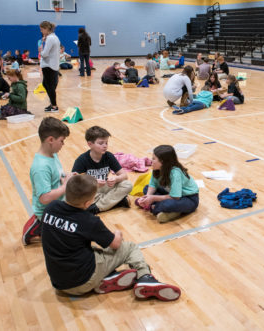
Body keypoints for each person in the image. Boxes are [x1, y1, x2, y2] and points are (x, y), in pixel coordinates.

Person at [41, 174, 181, 300]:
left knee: (90, 247)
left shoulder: (50, 208)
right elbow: (115, 244)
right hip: (83, 282)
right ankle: (146, 277)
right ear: (88, 203)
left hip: (59, 282)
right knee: (129, 247)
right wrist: (117, 233)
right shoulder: (89, 220)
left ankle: (107, 278)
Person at [22, 117, 73, 245]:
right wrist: (65, 186)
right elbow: (44, 198)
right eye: (62, 141)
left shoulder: (53, 154)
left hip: (59, 204)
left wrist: (68, 177)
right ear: (51, 140)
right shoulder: (41, 167)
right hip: (47, 212)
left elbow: (57, 176)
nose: (63, 144)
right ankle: (37, 226)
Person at [72, 126, 133, 213]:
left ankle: (96, 207)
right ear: (90, 144)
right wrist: (93, 182)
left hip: (104, 187)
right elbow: (74, 181)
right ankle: (117, 202)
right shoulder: (82, 160)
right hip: (89, 190)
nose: (105, 146)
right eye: (101, 143)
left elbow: (124, 175)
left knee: (127, 185)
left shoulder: (109, 156)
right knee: (77, 196)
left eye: (106, 143)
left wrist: (116, 179)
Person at [135, 145, 199, 223]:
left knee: (168, 204)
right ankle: (172, 211)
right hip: (172, 194)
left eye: (154, 158)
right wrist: (147, 197)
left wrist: (152, 199)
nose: (151, 160)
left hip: (189, 198)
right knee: (146, 188)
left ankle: (154, 207)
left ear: (162, 162)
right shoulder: (157, 169)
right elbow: (153, 185)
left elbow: (175, 197)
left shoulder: (175, 173)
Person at [39, 21, 61, 113]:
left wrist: (40, 50)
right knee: (46, 84)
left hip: (49, 65)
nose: (41, 32)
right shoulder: (54, 37)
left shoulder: (50, 39)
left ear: (46, 29)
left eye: (41, 30)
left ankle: (54, 106)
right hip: (53, 65)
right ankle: (52, 103)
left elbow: (45, 54)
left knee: (50, 86)